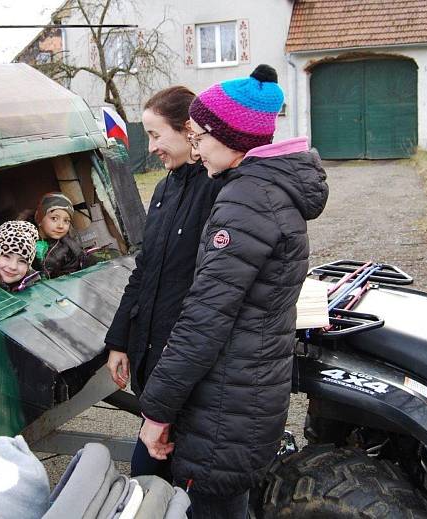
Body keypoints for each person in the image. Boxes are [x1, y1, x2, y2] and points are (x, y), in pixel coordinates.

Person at [137, 65, 329, 518]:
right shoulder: (265, 190)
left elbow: (204, 319)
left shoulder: (246, 202)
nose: (197, 147)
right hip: (248, 392)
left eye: (200, 136)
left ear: (232, 138)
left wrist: (158, 413)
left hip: (227, 402)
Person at [104, 86, 221, 482]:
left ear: (188, 130)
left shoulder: (218, 191)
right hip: (154, 363)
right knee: (150, 476)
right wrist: (119, 340)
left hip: (188, 372)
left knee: (155, 476)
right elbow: (144, 269)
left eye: (156, 135)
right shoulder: (163, 189)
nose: (151, 146)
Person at [33, 192, 95, 279]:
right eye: (54, 218)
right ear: (39, 218)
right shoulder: (21, 239)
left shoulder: (70, 250)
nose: (61, 226)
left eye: (66, 221)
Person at [0, 220, 40, 292]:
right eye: (6, 256)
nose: (13, 267)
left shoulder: (33, 286)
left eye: (22, 261)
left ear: (28, 267)